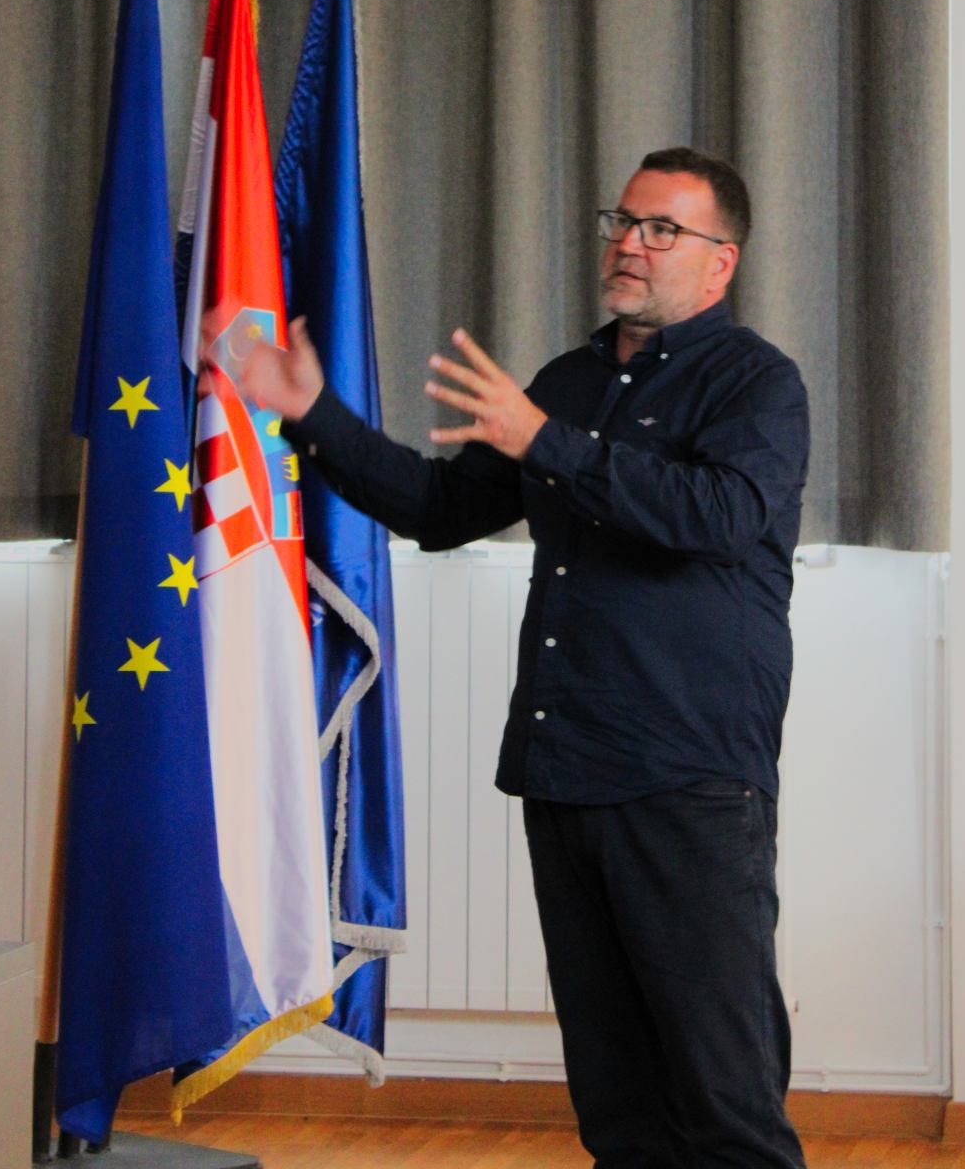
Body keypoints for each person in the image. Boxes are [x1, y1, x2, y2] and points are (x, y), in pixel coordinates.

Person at [239, 147, 810, 1169]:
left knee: (723, 1099)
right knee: (616, 1099)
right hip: (565, 770)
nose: (629, 244)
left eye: (661, 229)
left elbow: (720, 517)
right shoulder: (568, 383)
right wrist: (311, 413)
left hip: (688, 778)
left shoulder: (755, 383)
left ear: (719, 262)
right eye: (622, 221)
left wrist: (546, 441)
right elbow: (440, 509)